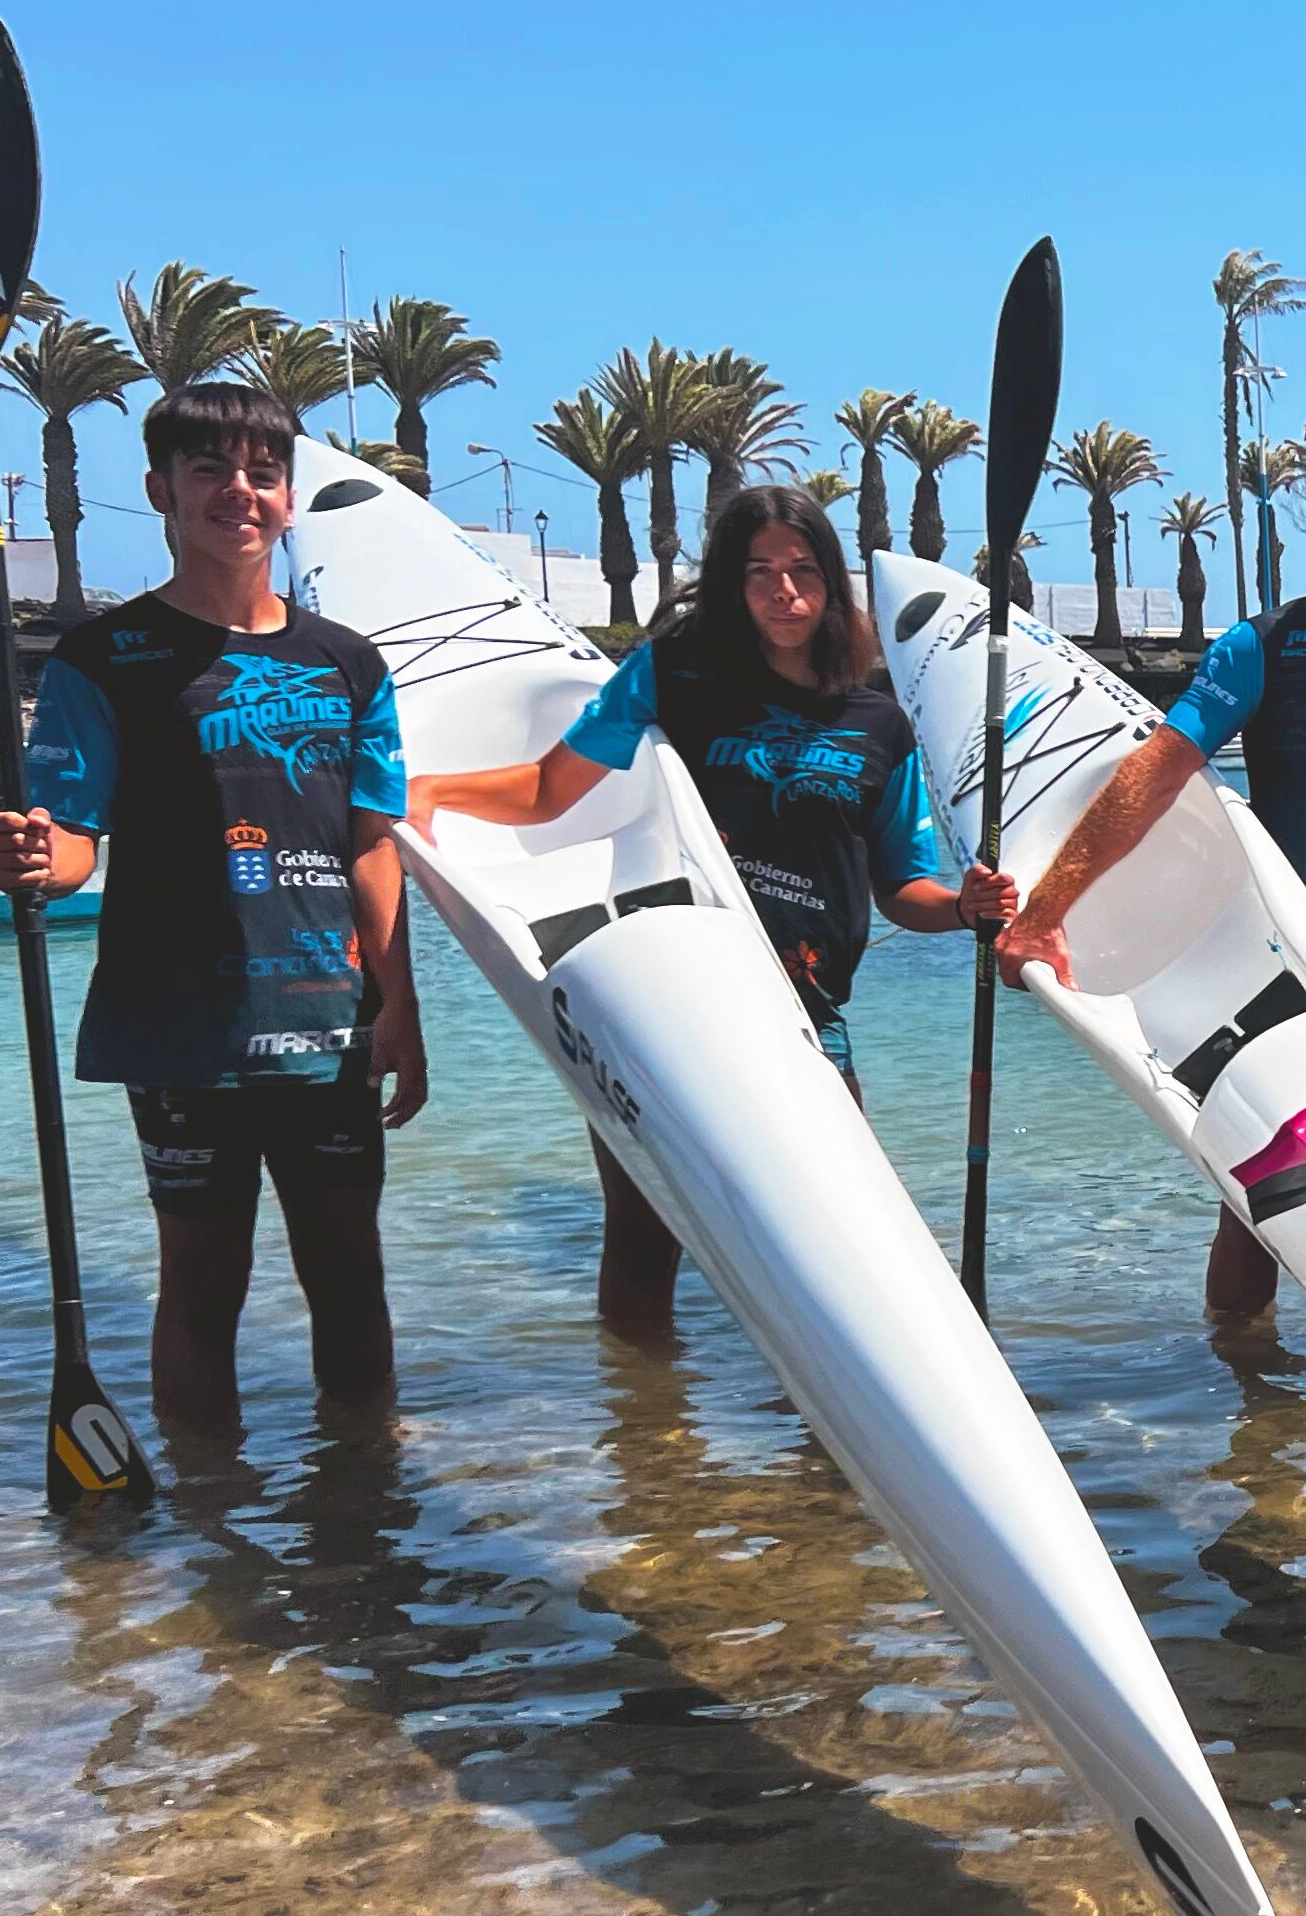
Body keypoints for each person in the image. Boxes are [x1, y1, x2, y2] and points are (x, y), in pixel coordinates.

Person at [410, 485, 1011, 1341]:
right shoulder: (676, 677)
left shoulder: (878, 721)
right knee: (645, 1237)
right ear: (730, 584)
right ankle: (649, 1448)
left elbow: (900, 888)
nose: (785, 592)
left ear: (832, 585)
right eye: (760, 572)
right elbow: (550, 788)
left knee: (838, 1234)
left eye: (804, 571)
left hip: (806, 1013)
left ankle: (819, 1445)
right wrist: (436, 792)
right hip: (670, 1001)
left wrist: (964, 907)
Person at [0, 382, 426, 1435]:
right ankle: (212, 1516)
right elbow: (77, 838)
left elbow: (372, 845)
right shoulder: (104, 661)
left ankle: (367, 1504)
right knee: (202, 1287)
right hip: (181, 1031)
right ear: (160, 491)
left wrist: (398, 1004)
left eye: (262, 473)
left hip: (328, 1018)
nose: (239, 492)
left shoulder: (348, 663)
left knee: (351, 1278)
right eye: (211, 471)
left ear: (289, 495)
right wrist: (32, 860)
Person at [992, 426, 1306, 1318]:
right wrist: (1046, 909)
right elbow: (1155, 773)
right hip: (1287, 972)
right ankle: (1245, 1412)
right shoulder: (1267, 644)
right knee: (1259, 1200)